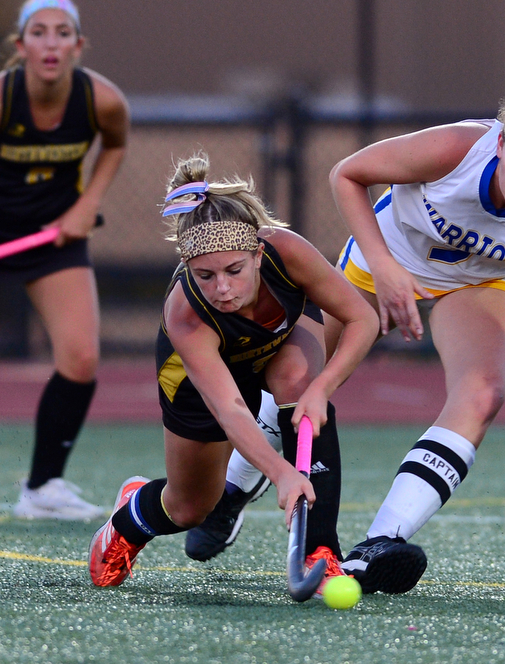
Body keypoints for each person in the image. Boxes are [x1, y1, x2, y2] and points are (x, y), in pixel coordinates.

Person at [191, 51, 505, 594]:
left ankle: (377, 546)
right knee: (295, 377)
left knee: (485, 391)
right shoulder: (455, 149)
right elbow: (347, 174)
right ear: (499, 143)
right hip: (386, 257)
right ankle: (235, 490)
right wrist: (388, 269)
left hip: (486, 283)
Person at [88, 153, 379, 589]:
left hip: (278, 345)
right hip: (198, 381)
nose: (222, 289)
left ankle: (322, 551)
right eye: (205, 275)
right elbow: (231, 410)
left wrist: (323, 387)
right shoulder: (186, 315)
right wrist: (281, 473)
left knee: (300, 389)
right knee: (190, 507)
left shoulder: (288, 251)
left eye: (235, 270)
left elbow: (363, 319)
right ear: (187, 268)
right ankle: (128, 520)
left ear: (258, 254)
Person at [1, 0, 129, 519]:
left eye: (62, 33)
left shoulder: (102, 100)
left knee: (79, 360)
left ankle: (42, 488)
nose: (51, 43)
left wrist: (87, 204)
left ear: (77, 46)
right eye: (39, 32)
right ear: (21, 45)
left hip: (55, 237)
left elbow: (115, 147)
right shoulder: (4, 97)